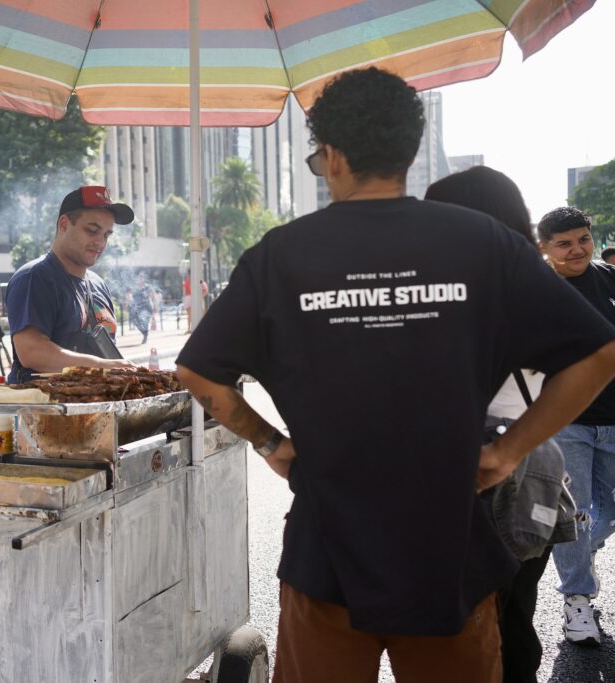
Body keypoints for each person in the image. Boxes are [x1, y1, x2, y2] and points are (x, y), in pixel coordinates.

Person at [174, 67, 615, 683]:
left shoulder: (278, 255)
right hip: (451, 546)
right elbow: (598, 354)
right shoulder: (485, 242)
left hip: (326, 549)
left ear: (330, 156)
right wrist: (510, 449)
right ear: (410, 150)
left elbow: (199, 373)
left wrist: (272, 444)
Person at [425, 165, 556, 682]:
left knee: (475, 627)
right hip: (534, 474)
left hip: (481, 474)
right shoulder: (537, 285)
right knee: (514, 615)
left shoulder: (466, 292)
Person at [537, 206, 615, 646]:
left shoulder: (609, 278)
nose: (576, 250)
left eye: (582, 239)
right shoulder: (533, 290)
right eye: (563, 243)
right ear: (544, 247)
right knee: (574, 515)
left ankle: (583, 555)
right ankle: (577, 601)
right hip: (566, 422)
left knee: (600, 519)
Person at [6, 186, 138, 383]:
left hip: (99, 407)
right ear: (64, 225)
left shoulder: (99, 284)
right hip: (45, 409)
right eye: (92, 230)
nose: (100, 242)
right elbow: (32, 352)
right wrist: (102, 367)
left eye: (106, 235)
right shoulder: (34, 277)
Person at [130, 273, 154, 345]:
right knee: (135, 320)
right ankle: (144, 333)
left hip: (147, 307)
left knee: (145, 322)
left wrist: (155, 307)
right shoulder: (136, 288)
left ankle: (145, 336)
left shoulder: (148, 287)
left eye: (141, 278)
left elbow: (151, 296)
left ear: (143, 279)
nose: (140, 279)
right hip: (139, 308)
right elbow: (133, 297)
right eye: (139, 278)